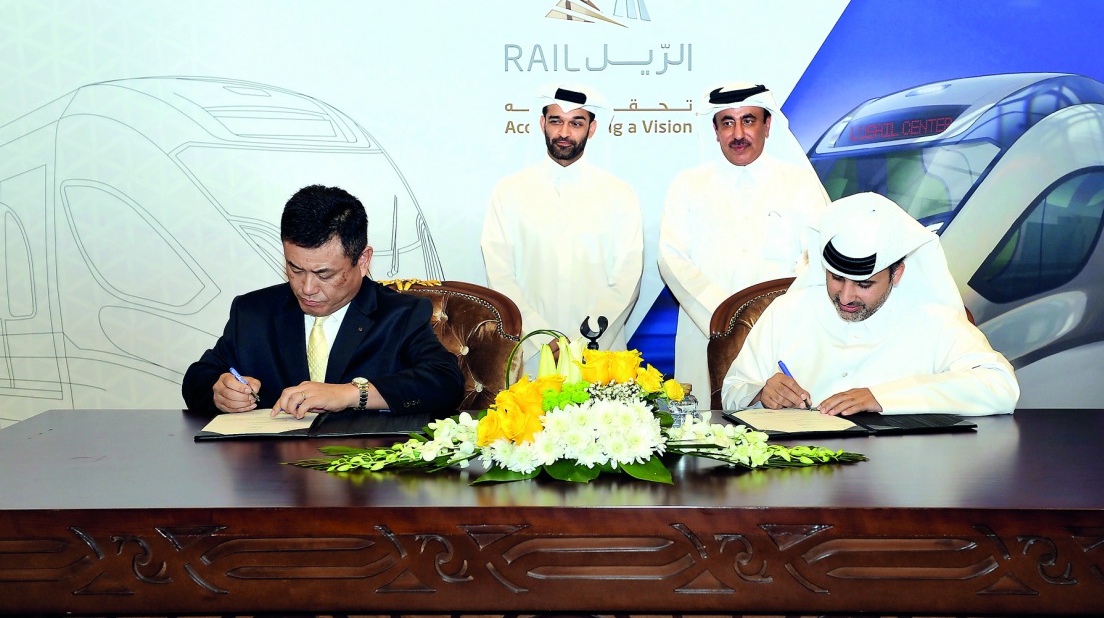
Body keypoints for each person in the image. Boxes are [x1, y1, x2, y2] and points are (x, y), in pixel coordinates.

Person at [722, 192, 1019, 416]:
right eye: (836, 278)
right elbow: (733, 389)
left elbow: (1000, 386)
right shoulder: (787, 311)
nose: (846, 296)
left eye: (864, 285)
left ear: (897, 274)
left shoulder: (932, 319)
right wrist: (760, 393)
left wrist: (881, 397)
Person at [182, 184, 464, 418]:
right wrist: (219, 391)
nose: (306, 288)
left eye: (324, 274)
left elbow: (445, 382)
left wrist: (349, 394)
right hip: (271, 465)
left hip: (361, 463)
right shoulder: (254, 312)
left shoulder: (399, 314)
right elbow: (198, 378)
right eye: (295, 269)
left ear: (362, 260)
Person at [659, 82, 829, 408]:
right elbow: (672, 258)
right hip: (707, 330)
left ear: (767, 125)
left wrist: (768, 318)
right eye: (728, 123)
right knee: (708, 429)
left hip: (781, 332)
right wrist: (727, 317)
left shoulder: (799, 184)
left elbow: (816, 256)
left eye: (748, 121)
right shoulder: (688, 186)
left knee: (783, 427)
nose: (738, 134)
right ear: (716, 130)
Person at [482, 84, 643, 375]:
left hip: (599, 352)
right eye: (556, 121)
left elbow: (627, 278)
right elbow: (500, 274)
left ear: (592, 129)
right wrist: (541, 336)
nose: (564, 132)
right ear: (542, 123)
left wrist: (585, 338)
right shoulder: (509, 192)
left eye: (576, 123)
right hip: (531, 351)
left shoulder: (619, 195)